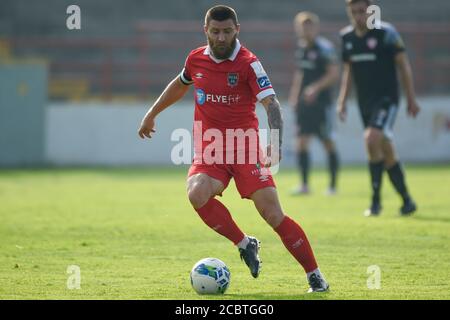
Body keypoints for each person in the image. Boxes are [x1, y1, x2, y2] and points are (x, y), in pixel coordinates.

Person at [138, 5, 329, 292]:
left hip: (244, 149)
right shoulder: (195, 59)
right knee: (197, 193)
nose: (222, 37)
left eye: (227, 31)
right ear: (206, 31)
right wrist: (152, 113)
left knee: (273, 215)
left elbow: (271, 104)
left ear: (237, 30)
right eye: (215, 32)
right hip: (211, 148)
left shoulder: (249, 63)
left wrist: (275, 142)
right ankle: (245, 243)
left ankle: (315, 275)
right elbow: (180, 84)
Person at [337, 0, 420, 216]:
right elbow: (348, 72)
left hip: (387, 99)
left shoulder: (387, 34)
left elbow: (403, 66)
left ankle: (375, 202)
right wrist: (342, 100)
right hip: (365, 103)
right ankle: (407, 201)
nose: (358, 16)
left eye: (362, 11)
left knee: (371, 138)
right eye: (353, 12)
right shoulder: (347, 38)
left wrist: (411, 98)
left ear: (371, 11)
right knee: (384, 149)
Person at [288, 12, 340, 195]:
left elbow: (334, 74)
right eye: (302, 26)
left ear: (316, 28)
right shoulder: (301, 48)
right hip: (305, 105)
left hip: (322, 104)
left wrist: (315, 88)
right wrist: (295, 96)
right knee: (301, 142)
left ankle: (333, 186)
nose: (305, 30)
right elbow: (301, 74)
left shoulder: (324, 48)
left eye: (309, 26)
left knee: (328, 142)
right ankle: (304, 185)